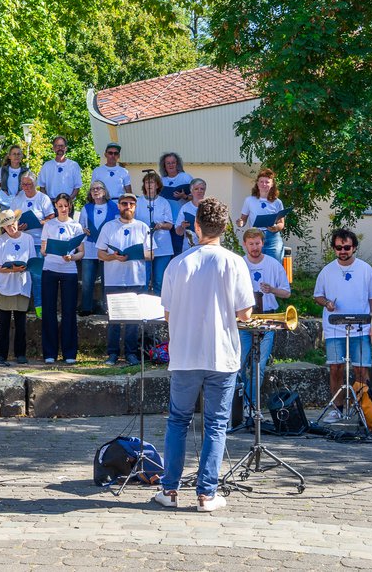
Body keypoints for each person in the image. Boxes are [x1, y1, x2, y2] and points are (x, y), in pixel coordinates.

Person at [154, 197, 254, 512]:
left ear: (196, 226)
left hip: (184, 354)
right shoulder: (235, 262)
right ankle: (206, 494)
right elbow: (246, 314)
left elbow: (167, 314)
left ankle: (169, 490)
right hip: (221, 354)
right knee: (216, 423)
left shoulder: (177, 263)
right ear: (225, 229)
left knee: (178, 421)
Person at [312, 229, 372, 423]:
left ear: (354, 248)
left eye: (347, 247)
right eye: (339, 247)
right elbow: (318, 295)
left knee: (361, 370)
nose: (343, 251)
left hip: (360, 327)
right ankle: (337, 408)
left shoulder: (366, 269)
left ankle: (364, 409)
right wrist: (326, 303)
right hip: (335, 328)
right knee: (335, 368)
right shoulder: (327, 271)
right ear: (334, 248)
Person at [238, 228, 291, 417]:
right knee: (241, 363)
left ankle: (252, 406)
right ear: (245, 245)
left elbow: (287, 292)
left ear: (263, 243)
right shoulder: (239, 264)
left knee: (259, 366)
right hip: (244, 320)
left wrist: (272, 290)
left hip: (268, 318)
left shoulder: (274, 264)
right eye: (251, 244)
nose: (254, 247)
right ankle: (242, 404)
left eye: (258, 243)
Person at [96, 192, 152, 366]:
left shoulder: (143, 227)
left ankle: (131, 353)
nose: (128, 207)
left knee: (133, 320)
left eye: (131, 204)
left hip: (136, 278)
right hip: (114, 279)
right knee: (113, 318)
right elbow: (100, 253)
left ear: (135, 207)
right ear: (119, 206)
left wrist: (133, 254)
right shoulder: (108, 227)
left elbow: (150, 254)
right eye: (124, 204)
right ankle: (112, 353)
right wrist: (114, 257)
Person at [40, 194, 85, 364]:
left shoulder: (76, 225)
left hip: (69, 270)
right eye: (60, 206)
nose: (63, 209)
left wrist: (71, 258)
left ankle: (69, 353)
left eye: (66, 205)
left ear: (70, 206)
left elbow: (81, 252)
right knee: (49, 311)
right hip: (50, 268)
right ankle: (50, 353)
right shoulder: (49, 225)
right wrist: (51, 250)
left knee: (68, 312)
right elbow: (43, 250)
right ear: (56, 207)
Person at [0, 209, 36, 365]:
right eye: (7, 225)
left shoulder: (28, 238)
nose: (11, 227)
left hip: (21, 283)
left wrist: (23, 268)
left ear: (18, 222)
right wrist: (12, 269)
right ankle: (1, 354)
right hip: (5, 285)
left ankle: (20, 353)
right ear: (4, 227)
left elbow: (33, 261)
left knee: (20, 321)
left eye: (13, 223)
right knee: (4, 322)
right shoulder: (1, 241)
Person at [14, 172, 54, 317]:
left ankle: (39, 306)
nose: (26, 187)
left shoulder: (43, 198)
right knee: (20, 274)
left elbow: (51, 218)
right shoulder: (18, 198)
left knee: (37, 276)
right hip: (22, 241)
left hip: (38, 241)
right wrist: (18, 225)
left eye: (29, 184)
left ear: (35, 184)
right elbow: (12, 219)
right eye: (23, 184)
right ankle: (21, 306)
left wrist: (39, 222)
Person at [77, 180, 117, 316]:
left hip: (107, 250)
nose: (95, 191)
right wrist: (83, 230)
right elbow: (80, 227)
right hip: (89, 248)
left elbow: (118, 226)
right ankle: (86, 308)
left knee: (108, 280)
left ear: (105, 191)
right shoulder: (86, 208)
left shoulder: (114, 207)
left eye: (99, 188)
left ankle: (108, 308)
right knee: (87, 281)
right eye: (93, 189)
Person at [134, 170, 174, 295]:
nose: (149, 185)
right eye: (146, 182)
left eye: (152, 182)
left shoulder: (164, 202)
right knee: (143, 279)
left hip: (162, 245)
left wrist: (160, 225)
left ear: (157, 185)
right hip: (144, 245)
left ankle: (158, 308)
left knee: (159, 280)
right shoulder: (138, 201)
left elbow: (170, 224)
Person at [236, 168, 286, 261]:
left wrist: (276, 228)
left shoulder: (277, 202)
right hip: (255, 237)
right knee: (257, 264)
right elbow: (243, 219)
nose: (264, 184)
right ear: (257, 184)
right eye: (261, 181)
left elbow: (281, 223)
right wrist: (240, 223)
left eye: (267, 182)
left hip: (273, 238)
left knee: (275, 265)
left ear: (272, 184)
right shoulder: (249, 200)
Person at [159, 152, 193, 256]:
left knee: (179, 251)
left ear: (177, 164)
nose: (171, 165)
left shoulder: (186, 178)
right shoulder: (161, 181)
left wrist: (184, 196)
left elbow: (195, 197)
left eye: (173, 162)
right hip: (166, 221)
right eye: (168, 163)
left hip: (180, 220)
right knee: (167, 252)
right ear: (164, 165)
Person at [36, 135, 82, 199]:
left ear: (66, 148)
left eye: (62, 146)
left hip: (68, 203)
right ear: (53, 148)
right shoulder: (47, 166)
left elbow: (77, 187)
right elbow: (42, 187)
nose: (60, 148)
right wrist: (47, 201)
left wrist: (68, 201)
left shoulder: (74, 165)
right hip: (50, 203)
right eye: (57, 146)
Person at [175, 178, 207, 253]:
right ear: (191, 191)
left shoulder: (209, 206)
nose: (199, 191)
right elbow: (178, 232)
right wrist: (182, 226)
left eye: (202, 189)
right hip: (188, 249)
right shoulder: (185, 208)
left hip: (206, 248)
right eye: (196, 189)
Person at [0, 144, 29, 208]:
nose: (16, 156)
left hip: (21, 203)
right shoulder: (3, 170)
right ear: (9, 156)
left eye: (18, 154)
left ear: (21, 156)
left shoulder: (26, 171)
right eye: (14, 154)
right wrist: (3, 192)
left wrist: (21, 193)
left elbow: (30, 188)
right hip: (6, 204)